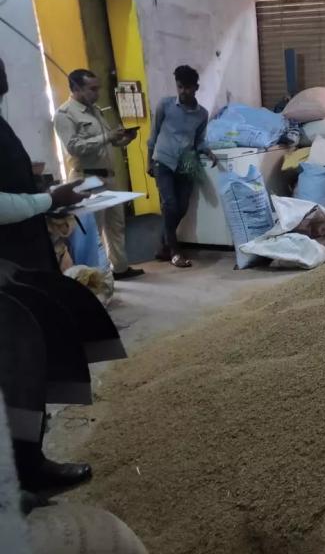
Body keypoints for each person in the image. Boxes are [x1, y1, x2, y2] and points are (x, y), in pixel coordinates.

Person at [0, 57, 126, 493]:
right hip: (8, 262)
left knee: (32, 356)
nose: (4, 71)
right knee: (20, 359)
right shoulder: (62, 115)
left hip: (23, 252)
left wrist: (42, 197)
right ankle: (27, 468)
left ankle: (26, 457)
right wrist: (48, 201)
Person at [54, 69, 144, 280]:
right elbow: (74, 147)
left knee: (116, 225)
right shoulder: (65, 114)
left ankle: (119, 268)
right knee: (92, 232)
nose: (97, 93)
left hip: (108, 177)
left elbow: (109, 141)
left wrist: (124, 138)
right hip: (86, 180)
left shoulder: (95, 111)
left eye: (98, 88)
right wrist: (107, 137)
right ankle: (93, 277)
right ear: (76, 88)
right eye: (92, 89)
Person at [147, 65, 217, 268]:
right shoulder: (165, 105)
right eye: (180, 87)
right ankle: (175, 251)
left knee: (182, 206)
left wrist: (207, 151)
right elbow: (153, 135)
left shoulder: (201, 114)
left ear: (196, 88)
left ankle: (163, 246)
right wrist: (149, 161)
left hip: (186, 164)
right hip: (163, 161)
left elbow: (199, 140)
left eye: (187, 87)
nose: (183, 91)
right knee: (170, 204)